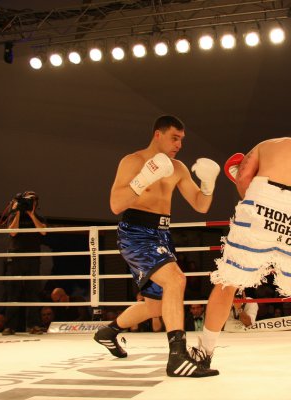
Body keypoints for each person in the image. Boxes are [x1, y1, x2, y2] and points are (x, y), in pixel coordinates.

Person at [193, 137, 291, 381]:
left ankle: (204, 353)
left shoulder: (263, 146)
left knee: (228, 281)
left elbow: (244, 180)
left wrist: (246, 190)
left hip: (264, 198)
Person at [93, 115, 219, 378]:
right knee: (176, 280)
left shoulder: (178, 168)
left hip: (162, 235)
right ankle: (177, 358)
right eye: (174, 138)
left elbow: (201, 205)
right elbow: (116, 205)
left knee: (154, 307)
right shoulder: (133, 161)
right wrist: (143, 179)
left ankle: (108, 332)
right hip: (135, 233)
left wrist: (208, 184)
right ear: (158, 135)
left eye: (181, 139)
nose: (179, 145)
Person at [2, 191, 47, 335]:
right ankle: (10, 326)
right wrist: (18, 212)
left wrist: (31, 215)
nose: (30, 202)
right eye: (28, 200)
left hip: (33, 257)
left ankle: (33, 325)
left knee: (33, 292)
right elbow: (12, 232)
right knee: (13, 292)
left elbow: (43, 231)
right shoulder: (14, 214)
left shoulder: (38, 215)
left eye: (33, 200)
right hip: (16, 256)